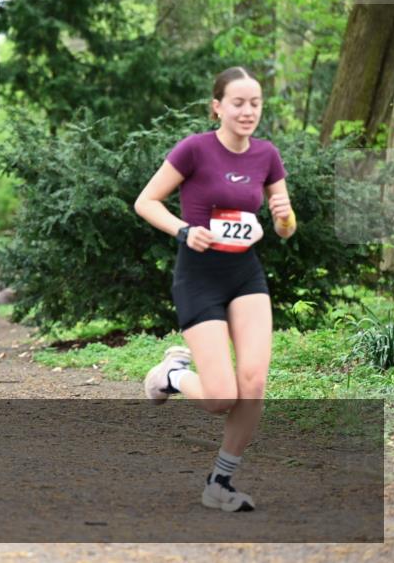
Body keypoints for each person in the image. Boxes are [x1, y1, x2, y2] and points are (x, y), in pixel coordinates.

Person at [134, 67, 296, 513]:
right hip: (198, 276)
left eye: (255, 103)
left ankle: (220, 482)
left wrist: (282, 216)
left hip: (245, 275)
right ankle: (169, 376)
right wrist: (185, 230)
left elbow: (284, 229)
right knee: (221, 396)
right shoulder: (195, 150)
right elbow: (146, 201)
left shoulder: (267, 156)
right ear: (217, 107)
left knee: (254, 382)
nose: (247, 111)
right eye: (238, 103)